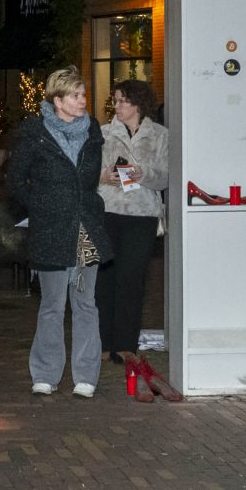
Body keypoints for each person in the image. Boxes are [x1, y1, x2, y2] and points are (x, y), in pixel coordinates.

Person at [7, 67, 112, 398]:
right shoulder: (34, 133)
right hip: (50, 230)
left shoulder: (92, 131)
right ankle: (46, 373)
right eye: (76, 95)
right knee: (52, 303)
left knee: (84, 302)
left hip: (84, 230)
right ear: (57, 99)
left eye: (83, 95)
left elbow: (91, 178)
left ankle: (86, 376)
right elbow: (14, 180)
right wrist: (39, 205)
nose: (83, 101)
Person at [97, 79, 169, 362]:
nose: (117, 106)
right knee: (105, 279)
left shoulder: (161, 135)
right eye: (115, 101)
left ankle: (126, 346)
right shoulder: (103, 134)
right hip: (108, 210)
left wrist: (144, 174)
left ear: (138, 104)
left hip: (142, 215)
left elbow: (165, 177)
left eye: (123, 101)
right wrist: (104, 175)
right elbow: (90, 171)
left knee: (132, 280)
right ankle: (103, 344)